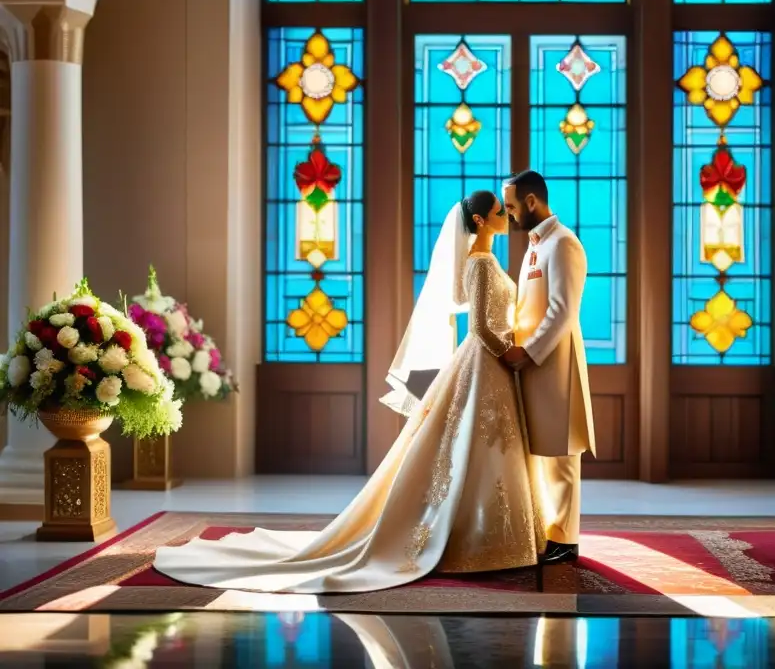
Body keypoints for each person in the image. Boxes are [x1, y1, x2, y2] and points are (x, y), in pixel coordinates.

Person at [152, 191, 545, 593]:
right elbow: (479, 327)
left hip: (491, 367)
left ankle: (492, 538)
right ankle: (470, 541)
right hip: (488, 361)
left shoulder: (488, 260)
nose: (507, 217)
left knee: (483, 451)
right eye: (500, 212)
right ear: (480, 221)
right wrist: (510, 353)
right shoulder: (479, 264)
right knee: (472, 450)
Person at [501, 170, 595, 565]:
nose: (508, 215)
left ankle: (567, 541)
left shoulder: (565, 244)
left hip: (556, 365)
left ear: (531, 202)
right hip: (534, 366)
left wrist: (529, 351)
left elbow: (563, 311)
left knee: (562, 454)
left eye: (511, 207)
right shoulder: (535, 246)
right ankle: (551, 532)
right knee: (543, 453)